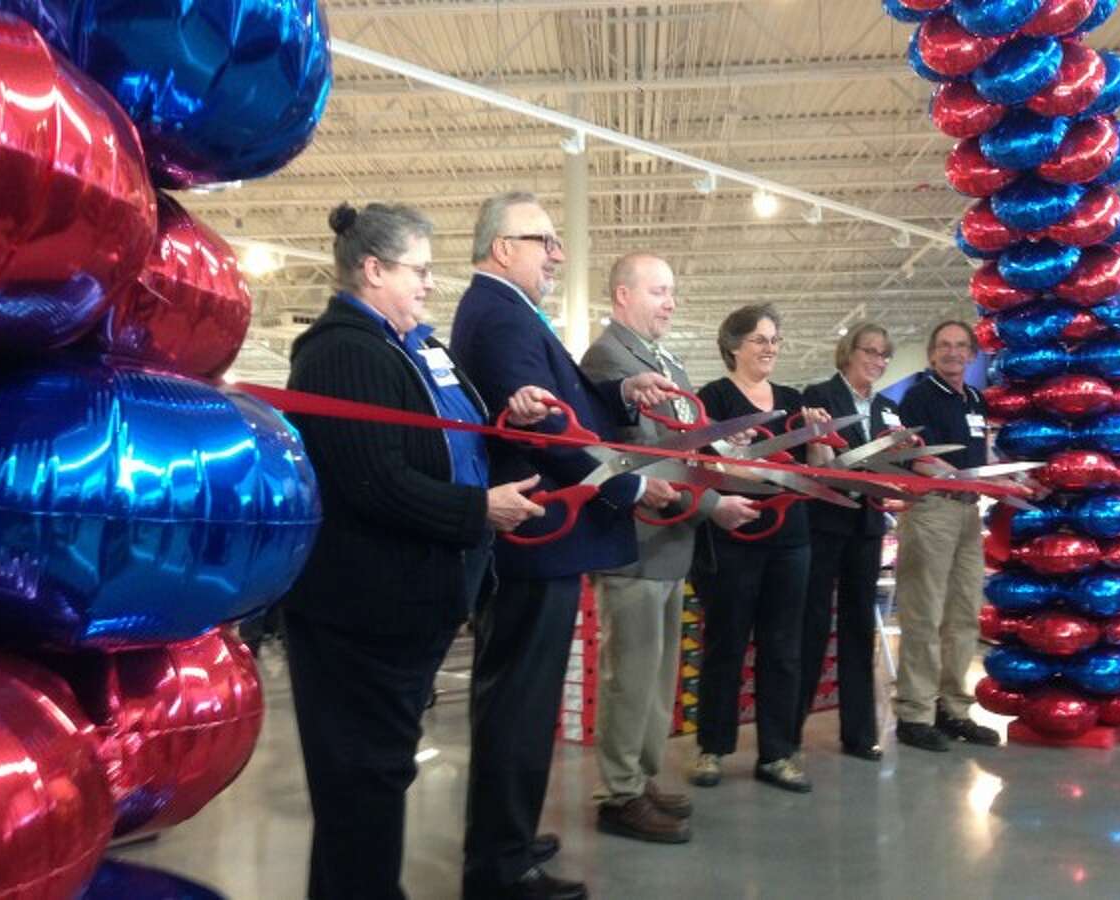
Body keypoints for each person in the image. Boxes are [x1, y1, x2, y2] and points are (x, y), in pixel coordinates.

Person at [282, 202, 553, 900]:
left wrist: (503, 419)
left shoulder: (412, 347)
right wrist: (479, 509)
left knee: (374, 774)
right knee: (363, 779)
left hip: (405, 607)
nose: (430, 285)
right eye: (419, 271)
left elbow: (440, 442)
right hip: (362, 611)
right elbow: (376, 481)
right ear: (373, 270)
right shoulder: (342, 352)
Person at [451, 193, 679, 900]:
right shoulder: (494, 316)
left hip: (543, 538)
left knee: (525, 702)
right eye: (542, 239)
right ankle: (500, 867)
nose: (556, 252)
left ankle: (510, 839)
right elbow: (545, 431)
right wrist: (629, 490)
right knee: (517, 705)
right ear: (501, 248)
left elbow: (561, 401)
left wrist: (617, 390)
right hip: (535, 536)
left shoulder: (510, 313)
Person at [579, 254, 762, 844]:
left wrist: (725, 443)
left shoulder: (670, 362)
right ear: (622, 295)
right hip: (635, 541)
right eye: (659, 291)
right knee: (630, 675)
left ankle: (641, 775)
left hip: (669, 543)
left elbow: (685, 446)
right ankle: (619, 793)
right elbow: (643, 457)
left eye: (672, 292)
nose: (671, 302)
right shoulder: (607, 359)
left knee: (656, 676)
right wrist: (712, 505)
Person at [689, 304, 829, 793]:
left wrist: (818, 436)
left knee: (783, 647)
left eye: (775, 339)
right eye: (759, 339)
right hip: (733, 537)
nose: (770, 347)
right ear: (732, 346)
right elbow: (705, 470)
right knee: (725, 644)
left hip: (790, 537)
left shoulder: (793, 400)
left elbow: (817, 473)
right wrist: (745, 466)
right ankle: (713, 747)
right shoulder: (713, 398)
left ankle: (778, 751)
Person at [794, 322, 901, 762]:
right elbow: (811, 459)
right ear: (849, 352)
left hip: (868, 526)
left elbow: (894, 465)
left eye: (883, 354)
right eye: (869, 351)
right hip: (824, 524)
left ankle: (859, 733)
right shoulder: (818, 395)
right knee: (811, 627)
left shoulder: (889, 408)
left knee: (859, 629)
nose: (876, 361)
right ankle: (788, 732)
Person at [894, 320, 1000, 752]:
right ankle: (914, 713)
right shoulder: (919, 396)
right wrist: (958, 477)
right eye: (944, 346)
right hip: (932, 510)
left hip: (968, 514)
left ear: (972, 355)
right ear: (931, 354)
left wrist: (1001, 481)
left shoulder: (975, 400)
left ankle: (954, 708)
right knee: (925, 613)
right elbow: (914, 457)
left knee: (963, 614)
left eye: (960, 346)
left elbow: (984, 455)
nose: (953, 353)